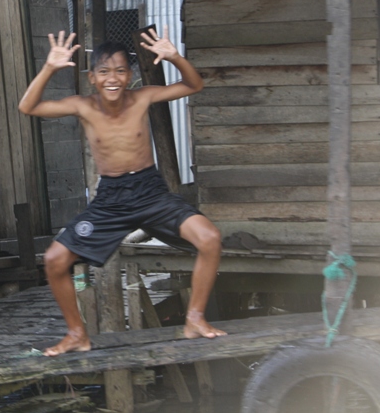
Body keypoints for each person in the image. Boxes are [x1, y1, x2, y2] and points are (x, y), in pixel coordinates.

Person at [19, 28, 226, 356]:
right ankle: (76, 334)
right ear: (92, 78)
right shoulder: (82, 106)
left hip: (150, 191)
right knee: (55, 260)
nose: (112, 79)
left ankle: (195, 319)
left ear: (130, 75)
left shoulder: (142, 96)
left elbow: (193, 85)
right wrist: (49, 68)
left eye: (119, 71)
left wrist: (174, 57)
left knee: (210, 238)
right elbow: (28, 106)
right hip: (111, 198)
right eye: (104, 72)